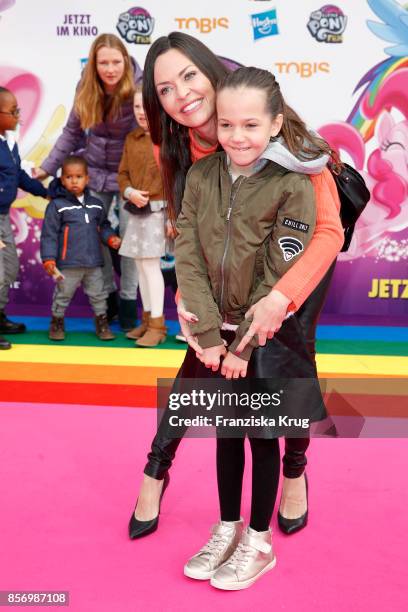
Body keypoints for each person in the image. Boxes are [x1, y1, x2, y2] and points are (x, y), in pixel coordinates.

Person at [129, 32, 343, 539]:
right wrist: (190, 299)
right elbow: (187, 229)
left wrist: (278, 299)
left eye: (188, 76)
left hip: (296, 260)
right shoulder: (177, 144)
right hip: (221, 271)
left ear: (211, 71)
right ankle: (156, 470)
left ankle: (293, 471)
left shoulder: (278, 132)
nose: (181, 94)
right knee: (199, 357)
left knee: (286, 365)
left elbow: (327, 231)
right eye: (164, 89)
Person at [178, 65, 329, 591]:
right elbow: (188, 255)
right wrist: (208, 338)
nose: (236, 137)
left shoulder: (294, 184)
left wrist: (240, 344)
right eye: (226, 125)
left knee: (263, 438)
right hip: (216, 336)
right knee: (226, 433)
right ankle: (228, 526)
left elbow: (280, 268)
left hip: (266, 332)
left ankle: (259, 540)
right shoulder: (201, 176)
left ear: (275, 124)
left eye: (249, 125)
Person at [33, 33, 142, 330]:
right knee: (94, 237)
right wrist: (46, 168)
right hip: (94, 170)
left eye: (116, 62)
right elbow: (71, 132)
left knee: (131, 241)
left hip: (129, 174)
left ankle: (130, 302)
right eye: (103, 62)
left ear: (126, 62)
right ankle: (108, 300)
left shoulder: (139, 89)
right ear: (94, 65)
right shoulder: (87, 89)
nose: (110, 69)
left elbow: (150, 137)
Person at [40, 155, 120, 341]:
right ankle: (57, 322)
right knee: (63, 294)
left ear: (87, 179)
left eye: (79, 176)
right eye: (69, 177)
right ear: (62, 179)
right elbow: (49, 235)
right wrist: (49, 259)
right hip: (68, 264)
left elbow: (104, 226)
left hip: (93, 262)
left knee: (99, 295)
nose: (74, 181)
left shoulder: (96, 205)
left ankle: (102, 323)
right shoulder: (57, 206)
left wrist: (111, 238)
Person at [118, 86, 167, 347]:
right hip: (135, 210)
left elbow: (175, 179)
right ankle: (148, 320)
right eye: (137, 107)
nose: (141, 112)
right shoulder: (131, 139)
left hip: (158, 211)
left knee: (150, 266)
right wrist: (129, 191)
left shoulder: (168, 139)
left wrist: (172, 217)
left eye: (146, 107)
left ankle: (158, 324)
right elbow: (122, 173)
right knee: (139, 265)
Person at [0, 86, 48, 350]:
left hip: (4, 217)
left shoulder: (9, 143)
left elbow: (19, 176)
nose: (19, 115)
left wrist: (46, 193)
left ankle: (0, 316)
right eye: (13, 111)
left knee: (8, 269)